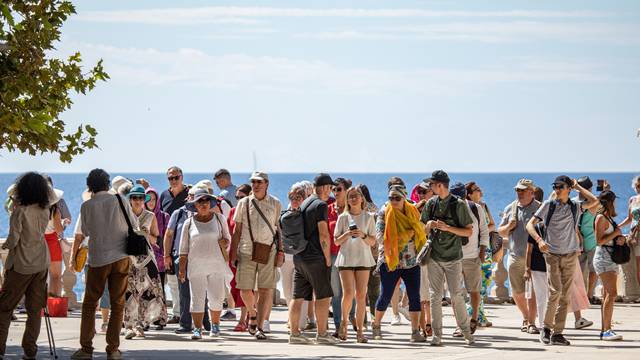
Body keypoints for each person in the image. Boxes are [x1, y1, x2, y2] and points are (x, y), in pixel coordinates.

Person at [70, 169, 138, 360]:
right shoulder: (120, 200)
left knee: (90, 304)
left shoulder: (87, 206)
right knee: (118, 304)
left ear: (90, 186)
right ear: (107, 184)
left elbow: (86, 231)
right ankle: (113, 349)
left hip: (98, 259)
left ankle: (86, 348)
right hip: (120, 257)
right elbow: (133, 225)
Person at [526, 175, 598, 346]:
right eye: (555, 187)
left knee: (565, 296)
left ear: (568, 189)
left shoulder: (576, 206)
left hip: (571, 254)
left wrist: (578, 187)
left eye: (560, 187)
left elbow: (594, 200)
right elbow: (530, 225)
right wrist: (539, 240)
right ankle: (546, 329)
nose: (557, 190)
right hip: (552, 254)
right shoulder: (548, 205)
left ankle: (558, 334)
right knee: (555, 291)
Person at [0, 172, 52, 360]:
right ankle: (30, 351)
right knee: (34, 310)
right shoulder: (45, 210)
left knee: (4, 309)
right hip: (41, 262)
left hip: (21, 264)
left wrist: (5, 246)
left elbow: (14, 239)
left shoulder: (20, 210)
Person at [421, 170, 474, 346]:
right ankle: (437, 335)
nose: (429, 187)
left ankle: (466, 332)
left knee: (456, 296)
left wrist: (448, 228)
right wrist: (428, 225)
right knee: (434, 296)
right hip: (434, 256)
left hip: (453, 257)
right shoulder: (431, 204)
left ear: (440, 185)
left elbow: (468, 231)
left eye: (431, 184)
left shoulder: (458, 204)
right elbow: (421, 229)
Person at [229, 171, 283, 340]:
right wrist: (233, 253)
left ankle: (259, 327)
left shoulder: (275, 203)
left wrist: (281, 251)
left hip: (268, 250)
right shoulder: (243, 203)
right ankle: (252, 314)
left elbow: (278, 230)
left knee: (266, 290)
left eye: (259, 182)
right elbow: (237, 231)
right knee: (245, 289)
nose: (256, 185)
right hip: (246, 250)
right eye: (253, 182)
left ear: (266, 183)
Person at [288, 173, 338, 345]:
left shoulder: (305, 202)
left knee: (298, 296)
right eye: (330, 188)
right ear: (324, 187)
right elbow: (324, 234)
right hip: (315, 257)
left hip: (299, 256)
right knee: (323, 296)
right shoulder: (320, 205)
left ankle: (294, 334)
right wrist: (327, 259)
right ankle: (322, 334)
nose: (331, 191)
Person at [372, 185, 426, 343]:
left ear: (404, 197)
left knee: (414, 296)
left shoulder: (413, 211)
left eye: (397, 198)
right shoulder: (384, 213)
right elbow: (380, 238)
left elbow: (420, 230)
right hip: (390, 261)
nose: (393, 201)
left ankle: (415, 332)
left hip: (411, 261)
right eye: (391, 198)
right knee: (385, 295)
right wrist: (404, 235)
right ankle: (376, 326)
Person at [179, 189, 233, 339]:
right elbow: (183, 248)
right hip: (196, 266)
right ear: (195, 205)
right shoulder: (188, 223)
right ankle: (197, 329)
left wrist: (225, 242)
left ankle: (215, 326)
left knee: (216, 297)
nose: (203, 204)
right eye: (200, 201)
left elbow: (228, 239)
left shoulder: (219, 218)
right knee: (197, 298)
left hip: (216, 265)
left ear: (210, 203)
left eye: (206, 201)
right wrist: (182, 269)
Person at [123, 185, 167, 339]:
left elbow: (157, 240)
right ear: (130, 199)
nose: (138, 200)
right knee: (129, 291)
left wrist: (147, 235)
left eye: (141, 198)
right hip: (128, 258)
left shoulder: (150, 216)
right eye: (135, 197)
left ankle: (140, 325)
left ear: (144, 200)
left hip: (146, 258)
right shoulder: (124, 215)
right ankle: (129, 325)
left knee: (149, 291)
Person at [333, 187, 376, 343]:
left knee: (361, 295)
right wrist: (347, 234)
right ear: (347, 200)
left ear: (362, 198)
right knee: (348, 293)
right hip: (346, 259)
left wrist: (362, 235)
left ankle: (360, 331)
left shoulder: (368, 217)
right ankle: (344, 323)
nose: (353, 199)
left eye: (356, 196)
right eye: (350, 197)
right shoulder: (343, 218)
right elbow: (336, 241)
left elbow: (372, 241)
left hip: (364, 259)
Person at [498, 179, 539, 333]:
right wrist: (509, 226)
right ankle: (526, 317)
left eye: (523, 190)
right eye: (518, 190)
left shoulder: (540, 208)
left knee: (533, 291)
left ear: (531, 192)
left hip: (535, 256)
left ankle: (531, 322)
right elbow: (500, 231)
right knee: (517, 291)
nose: (519, 193)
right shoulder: (510, 208)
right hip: (515, 255)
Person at [449, 183, 489, 337]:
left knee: (474, 291)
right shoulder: (448, 209)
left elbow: (484, 232)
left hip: (472, 257)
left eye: (459, 195)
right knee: (455, 293)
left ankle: (473, 319)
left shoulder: (476, 208)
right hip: (453, 257)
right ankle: (460, 325)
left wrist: (481, 253)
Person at [280, 184, 316, 332]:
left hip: (302, 257)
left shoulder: (308, 215)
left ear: (304, 199)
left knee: (301, 292)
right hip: (286, 257)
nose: (295, 200)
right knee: (287, 291)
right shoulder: (284, 215)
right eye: (292, 198)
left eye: (298, 198)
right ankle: (292, 318)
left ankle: (300, 324)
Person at [593, 191, 625, 341]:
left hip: (610, 257)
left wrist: (619, 238)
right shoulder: (600, 218)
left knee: (608, 294)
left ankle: (605, 329)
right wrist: (615, 234)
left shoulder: (608, 218)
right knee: (611, 294)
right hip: (603, 259)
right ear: (610, 202)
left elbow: (611, 236)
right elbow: (599, 241)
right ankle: (607, 330)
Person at [465, 181, 497, 328]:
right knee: (474, 286)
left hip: (486, 249)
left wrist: (482, 231)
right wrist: (481, 231)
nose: (481, 193)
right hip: (472, 251)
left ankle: (477, 315)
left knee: (484, 284)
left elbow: (492, 225)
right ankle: (475, 317)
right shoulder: (465, 209)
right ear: (469, 194)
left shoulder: (483, 207)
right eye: (477, 190)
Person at [328, 177, 356, 335]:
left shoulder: (352, 210)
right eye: (334, 189)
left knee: (350, 291)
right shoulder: (328, 209)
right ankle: (338, 325)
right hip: (332, 255)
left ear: (346, 191)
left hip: (349, 256)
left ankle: (352, 317)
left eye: (339, 189)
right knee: (336, 292)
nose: (335, 192)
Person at [145, 187, 173, 328]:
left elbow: (167, 237)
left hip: (159, 259)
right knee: (145, 290)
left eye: (153, 199)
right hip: (144, 259)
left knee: (159, 290)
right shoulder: (139, 215)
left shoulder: (164, 216)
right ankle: (146, 319)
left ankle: (160, 319)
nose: (150, 202)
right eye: (147, 198)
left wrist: (166, 255)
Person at [226, 183, 252, 331]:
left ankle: (244, 319)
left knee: (245, 286)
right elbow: (231, 235)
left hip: (250, 252)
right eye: (236, 197)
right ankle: (248, 314)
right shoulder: (232, 212)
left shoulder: (253, 212)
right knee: (235, 287)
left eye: (242, 197)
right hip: (234, 254)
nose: (238, 200)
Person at [574, 177, 600, 306]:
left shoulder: (575, 202)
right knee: (585, 271)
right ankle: (586, 295)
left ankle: (585, 295)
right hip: (584, 242)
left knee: (587, 270)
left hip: (584, 242)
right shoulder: (590, 203)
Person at [619, 176, 640, 289]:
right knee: (638, 265)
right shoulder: (632, 200)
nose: (638, 188)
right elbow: (629, 218)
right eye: (637, 186)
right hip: (635, 236)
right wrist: (617, 226)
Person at [43, 187, 64, 297]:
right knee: (55, 276)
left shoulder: (37, 209)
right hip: (52, 243)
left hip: (39, 243)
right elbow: (59, 230)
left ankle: (42, 303)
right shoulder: (54, 210)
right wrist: (63, 223)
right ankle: (53, 303)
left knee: (40, 276)